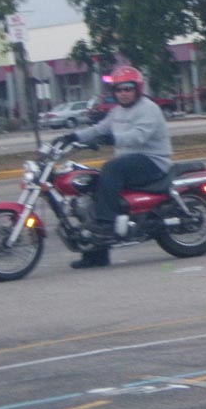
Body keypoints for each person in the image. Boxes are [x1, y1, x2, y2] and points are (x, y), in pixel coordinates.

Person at [57, 65, 172, 269]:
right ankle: (96, 255)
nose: (123, 93)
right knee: (91, 185)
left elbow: (138, 136)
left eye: (128, 89)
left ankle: (106, 223)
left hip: (153, 161)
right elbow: (99, 129)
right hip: (129, 162)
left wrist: (111, 139)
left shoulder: (148, 108)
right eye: (119, 89)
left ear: (137, 89)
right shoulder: (117, 111)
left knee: (111, 168)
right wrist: (72, 137)